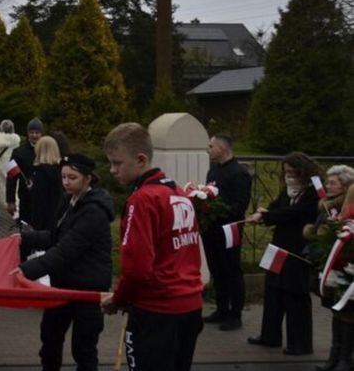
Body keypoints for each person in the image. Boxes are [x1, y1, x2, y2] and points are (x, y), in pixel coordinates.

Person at [101, 122, 203, 371]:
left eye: (117, 163)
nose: (112, 170)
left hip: (157, 311)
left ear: (141, 159)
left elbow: (137, 268)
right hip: (190, 306)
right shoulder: (177, 192)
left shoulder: (143, 199)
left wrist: (120, 298)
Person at [20, 154, 113, 371]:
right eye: (63, 177)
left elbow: (65, 250)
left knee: (83, 348)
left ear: (88, 179)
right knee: (50, 337)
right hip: (64, 284)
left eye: (72, 177)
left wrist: (24, 271)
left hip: (87, 288)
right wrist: (25, 237)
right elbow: (57, 236)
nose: (66, 182)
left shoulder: (93, 211)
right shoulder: (69, 201)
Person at [246, 151, 321, 355]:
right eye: (285, 172)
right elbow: (277, 206)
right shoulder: (288, 190)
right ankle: (269, 335)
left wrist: (266, 216)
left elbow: (293, 214)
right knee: (272, 290)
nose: (288, 176)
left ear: (302, 172)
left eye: (292, 172)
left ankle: (301, 343)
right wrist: (264, 211)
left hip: (297, 250)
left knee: (295, 294)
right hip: (278, 246)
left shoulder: (313, 192)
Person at [201, 133, 252, 332]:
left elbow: (240, 205)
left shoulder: (239, 173)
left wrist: (217, 210)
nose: (208, 150)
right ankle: (222, 308)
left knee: (231, 269)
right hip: (211, 228)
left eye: (211, 146)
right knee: (216, 268)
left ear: (222, 148)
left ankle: (235, 313)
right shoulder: (213, 170)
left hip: (230, 229)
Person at [306, 165, 354, 371]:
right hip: (337, 262)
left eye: (333, 182)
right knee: (338, 311)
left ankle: (344, 359)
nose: (328, 186)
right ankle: (335, 357)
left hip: (348, 262)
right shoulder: (328, 206)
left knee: (348, 312)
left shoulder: (345, 203)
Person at [9, 118, 43, 225]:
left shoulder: (47, 151)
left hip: (43, 199)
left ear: (41, 134)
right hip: (25, 199)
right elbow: (10, 176)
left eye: (37, 133)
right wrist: (10, 200)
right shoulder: (18, 152)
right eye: (31, 132)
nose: (34, 135)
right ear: (28, 133)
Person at [28, 136, 63, 233]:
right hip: (58, 216)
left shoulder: (41, 172)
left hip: (44, 221)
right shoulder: (61, 169)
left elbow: (39, 200)